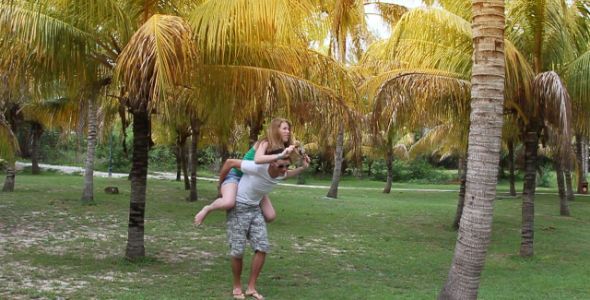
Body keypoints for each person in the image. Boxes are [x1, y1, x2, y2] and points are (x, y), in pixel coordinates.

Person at [219, 150, 310, 300]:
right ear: (272, 162)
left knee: (262, 247)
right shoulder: (256, 167)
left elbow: (288, 174)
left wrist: (302, 168)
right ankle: (237, 286)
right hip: (238, 208)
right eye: (281, 166)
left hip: (255, 209)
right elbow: (229, 162)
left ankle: (251, 287)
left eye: (287, 166)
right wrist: (221, 185)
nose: (284, 170)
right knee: (237, 251)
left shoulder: (281, 173)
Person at [194, 118, 296, 225]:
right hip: (237, 175)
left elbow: (283, 167)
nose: (288, 132)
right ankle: (208, 209)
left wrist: (302, 161)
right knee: (228, 203)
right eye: (284, 129)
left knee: (270, 216)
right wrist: (220, 184)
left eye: (288, 129)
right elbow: (258, 159)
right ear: (276, 129)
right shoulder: (265, 143)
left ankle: (250, 225)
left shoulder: (282, 148)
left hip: (253, 180)